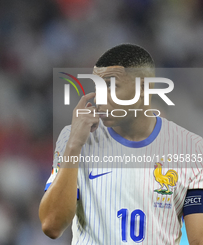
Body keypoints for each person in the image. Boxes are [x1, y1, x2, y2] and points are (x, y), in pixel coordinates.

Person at [39, 44, 203, 245]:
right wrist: (73, 146)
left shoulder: (192, 149)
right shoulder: (74, 138)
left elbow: (198, 240)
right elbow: (51, 225)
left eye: (110, 86)